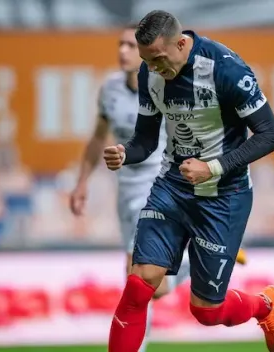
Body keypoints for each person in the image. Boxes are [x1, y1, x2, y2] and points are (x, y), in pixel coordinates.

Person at [103, 10, 274, 352]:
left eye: (158, 59)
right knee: (139, 282)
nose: (154, 69)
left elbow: (271, 134)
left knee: (206, 311)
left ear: (182, 43)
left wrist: (214, 167)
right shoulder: (149, 71)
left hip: (224, 195)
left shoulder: (226, 69)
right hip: (171, 187)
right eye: (148, 61)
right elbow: (145, 141)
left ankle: (265, 304)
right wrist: (125, 153)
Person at [70, 23, 248, 352]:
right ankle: (195, 252)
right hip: (125, 191)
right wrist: (82, 182)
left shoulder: (169, 79)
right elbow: (98, 137)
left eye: (129, 45)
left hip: (159, 186)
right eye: (121, 45)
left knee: (139, 284)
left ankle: (194, 246)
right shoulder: (111, 89)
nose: (124, 52)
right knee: (153, 287)